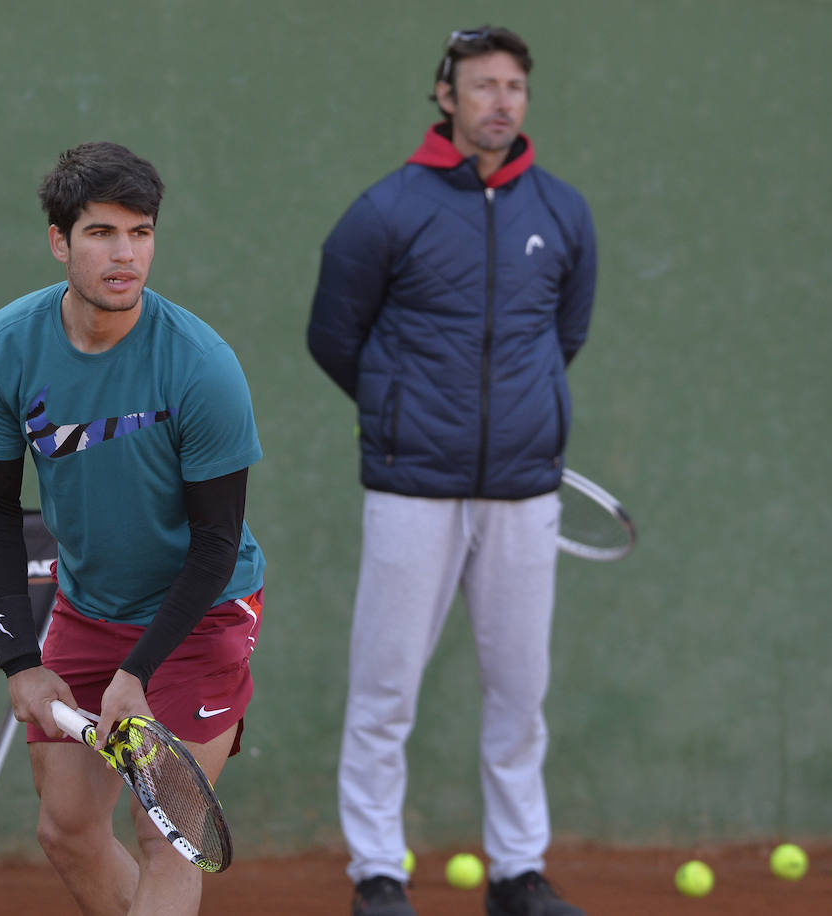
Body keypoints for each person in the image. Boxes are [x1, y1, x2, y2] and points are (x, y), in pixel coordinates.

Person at [306, 26, 596, 916]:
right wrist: (406, 415)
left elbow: (566, 338)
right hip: (410, 492)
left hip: (523, 493)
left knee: (521, 695)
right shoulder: (385, 211)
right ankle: (378, 876)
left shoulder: (563, 213)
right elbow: (333, 337)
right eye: (483, 86)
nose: (501, 101)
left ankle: (517, 872)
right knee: (384, 692)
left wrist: (514, 422)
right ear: (446, 97)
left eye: (514, 86)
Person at [0, 141, 266, 916]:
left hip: (200, 615)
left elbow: (216, 542)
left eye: (141, 231)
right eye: (102, 233)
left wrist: (139, 670)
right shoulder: (5, 347)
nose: (125, 254)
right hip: (87, 608)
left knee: (164, 833)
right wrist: (19, 662)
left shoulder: (202, 367)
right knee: (66, 830)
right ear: (60, 241)